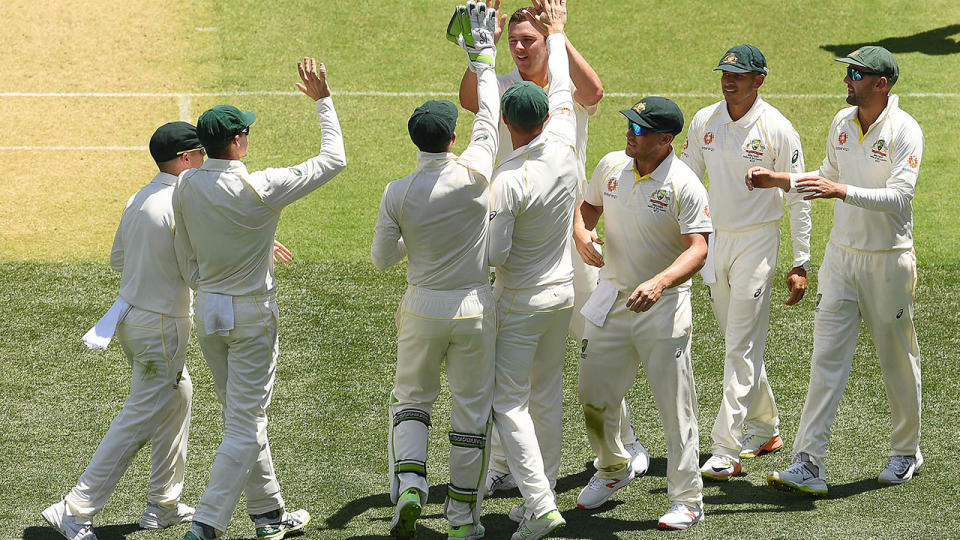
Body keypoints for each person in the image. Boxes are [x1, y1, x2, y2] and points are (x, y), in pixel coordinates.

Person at [460, 0, 647, 497]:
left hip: (571, 235)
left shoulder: (563, 93)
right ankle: (504, 464)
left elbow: (595, 91)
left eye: (530, 41)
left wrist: (560, 33)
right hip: (515, 235)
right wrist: (491, 42)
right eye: (515, 42)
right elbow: (467, 97)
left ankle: (621, 444)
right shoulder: (503, 87)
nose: (521, 49)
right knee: (514, 366)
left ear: (546, 42)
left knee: (593, 349)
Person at [172, 57, 346, 540]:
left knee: (240, 417)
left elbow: (186, 255)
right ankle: (206, 523)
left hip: (208, 310)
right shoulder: (261, 187)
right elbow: (334, 160)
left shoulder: (185, 183)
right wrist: (324, 102)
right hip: (250, 316)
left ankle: (269, 515)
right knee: (245, 425)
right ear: (236, 142)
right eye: (244, 133)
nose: (248, 137)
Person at [750, 46, 924, 496]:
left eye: (855, 74)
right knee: (825, 360)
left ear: (881, 84)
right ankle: (809, 462)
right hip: (841, 260)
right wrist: (782, 180)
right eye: (848, 72)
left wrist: (840, 190)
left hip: (888, 260)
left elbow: (899, 198)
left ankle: (906, 450)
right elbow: (826, 175)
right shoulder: (842, 123)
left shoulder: (906, 130)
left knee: (897, 361)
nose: (846, 80)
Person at [41, 122, 204, 540]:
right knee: (137, 418)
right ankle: (75, 509)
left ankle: (163, 504)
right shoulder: (180, 203)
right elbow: (193, 271)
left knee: (179, 392)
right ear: (186, 159)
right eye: (201, 152)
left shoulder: (139, 197)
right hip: (162, 327)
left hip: (132, 320)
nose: (206, 159)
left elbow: (119, 259)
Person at [371, 4, 498, 539]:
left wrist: (412, 241)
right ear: (451, 138)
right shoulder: (474, 176)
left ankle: (413, 485)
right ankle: (463, 520)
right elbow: (489, 117)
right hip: (473, 307)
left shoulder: (397, 192)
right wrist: (483, 60)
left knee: (411, 402)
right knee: (470, 414)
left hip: (421, 305)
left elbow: (381, 259)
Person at [573, 96, 711, 530]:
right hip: (611, 300)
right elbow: (586, 209)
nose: (629, 133)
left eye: (640, 128)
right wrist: (581, 234)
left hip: (663, 308)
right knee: (593, 396)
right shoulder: (612, 166)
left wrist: (659, 283)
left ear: (665, 139)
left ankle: (687, 499)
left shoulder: (684, 184)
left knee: (676, 408)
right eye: (630, 124)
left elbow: (700, 248)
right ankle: (613, 468)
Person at [679, 44, 811, 481]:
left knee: (739, 345)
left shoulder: (777, 128)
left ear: (760, 80)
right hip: (716, 244)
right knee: (741, 340)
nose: (728, 80)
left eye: (738, 75)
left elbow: (798, 196)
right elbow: (684, 180)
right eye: (724, 74)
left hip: (758, 243)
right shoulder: (705, 120)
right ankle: (766, 427)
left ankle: (725, 448)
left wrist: (801, 261)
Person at [484, 1, 577, 537]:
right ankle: (540, 490)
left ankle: (539, 503)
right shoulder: (564, 141)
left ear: (505, 121)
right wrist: (558, 33)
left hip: (519, 299)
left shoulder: (508, 181)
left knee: (508, 402)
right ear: (545, 115)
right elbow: (562, 82)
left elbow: (495, 255)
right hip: (562, 291)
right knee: (546, 395)